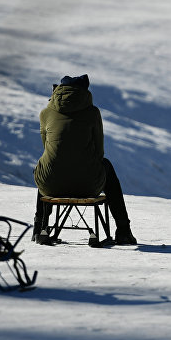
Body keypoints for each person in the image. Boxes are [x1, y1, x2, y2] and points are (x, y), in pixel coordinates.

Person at [33, 74, 136, 245]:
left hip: (52, 186)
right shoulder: (93, 113)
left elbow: (47, 148)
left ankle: (39, 227)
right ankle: (123, 230)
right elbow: (99, 152)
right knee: (106, 165)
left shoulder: (45, 113)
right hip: (87, 185)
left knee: (47, 166)